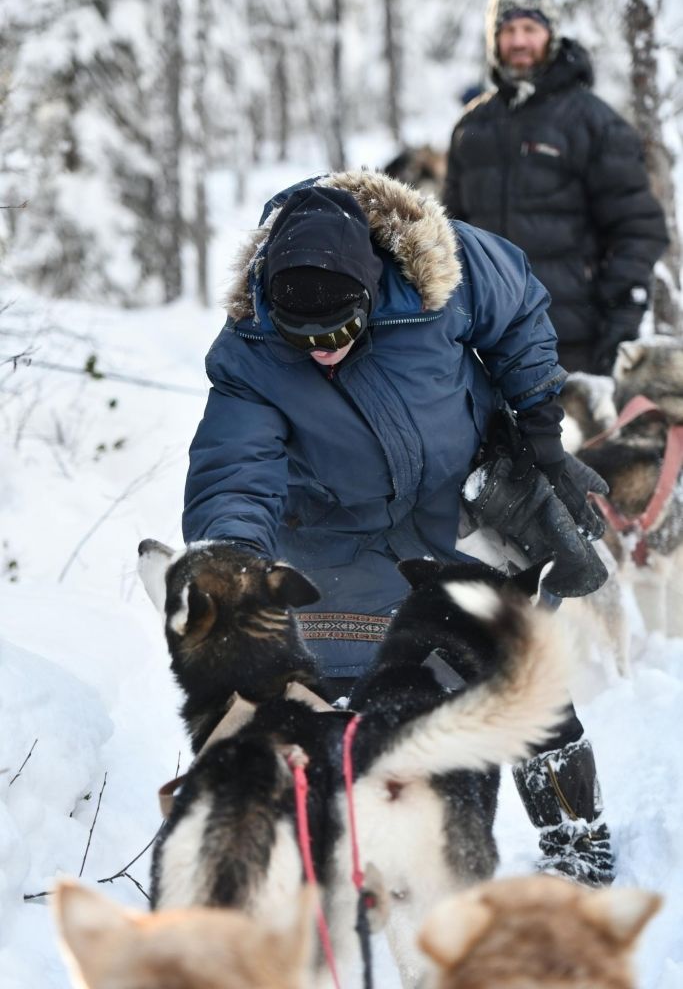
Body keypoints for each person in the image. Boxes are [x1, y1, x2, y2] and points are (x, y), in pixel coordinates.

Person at [183, 168, 613, 885]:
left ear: (372, 288)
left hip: (461, 504)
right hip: (337, 537)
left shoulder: (445, 268)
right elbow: (235, 469)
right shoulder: (248, 354)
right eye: (304, 336)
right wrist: (232, 561)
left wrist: (538, 420)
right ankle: (364, 859)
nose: (324, 348)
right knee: (350, 701)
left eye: (343, 329)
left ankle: (577, 836)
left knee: (516, 670)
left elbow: (520, 318)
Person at [443, 0, 668, 375]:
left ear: (551, 34)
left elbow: (638, 228)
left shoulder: (593, 122)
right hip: (484, 339)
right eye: (507, 30)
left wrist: (620, 320)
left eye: (530, 29)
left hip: (572, 340)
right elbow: (448, 233)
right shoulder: (471, 128)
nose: (518, 41)